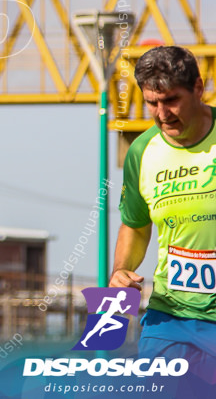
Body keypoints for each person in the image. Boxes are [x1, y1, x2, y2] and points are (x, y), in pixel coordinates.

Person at [111, 45, 216, 389]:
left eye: (170, 100)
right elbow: (136, 225)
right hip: (170, 317)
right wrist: (121, 270)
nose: (161, 113)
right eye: (151, 103)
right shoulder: (142, 152)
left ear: (198, 89)